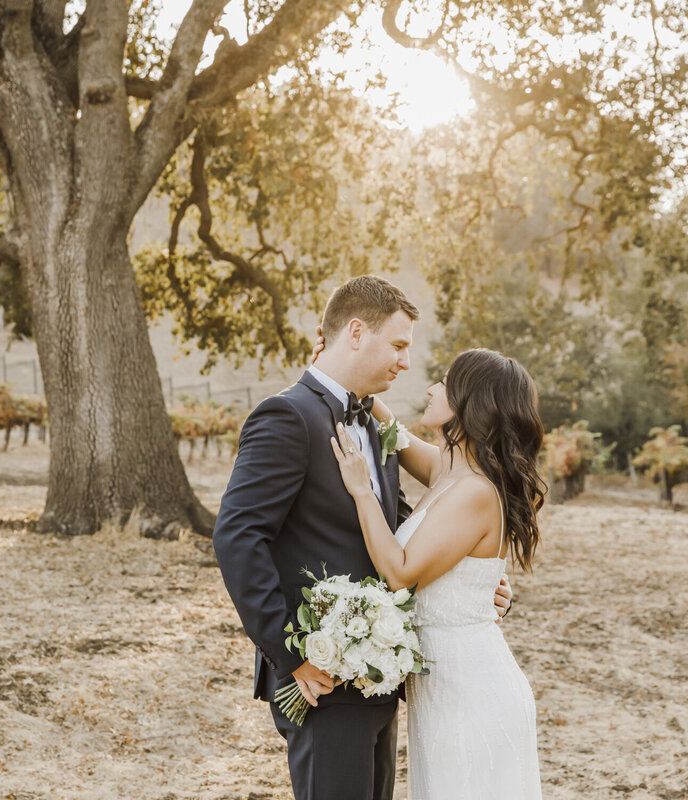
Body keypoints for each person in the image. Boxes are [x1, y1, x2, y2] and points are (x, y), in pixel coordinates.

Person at [212, 275, 510, 800]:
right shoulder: (288, 416)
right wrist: (293, 653)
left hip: (380, 675)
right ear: (355, 333)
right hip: (322, 677)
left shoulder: (373, 425)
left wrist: (471, 575)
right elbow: (238, 536)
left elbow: (404, 529)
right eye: (397, 345)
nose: (404, 362)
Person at [329, 347, 546, 799]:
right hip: (441, 690)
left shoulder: (476, 491)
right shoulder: (451, 470)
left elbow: (401, 573)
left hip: (471, 692)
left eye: (444, 383)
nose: (430, 389)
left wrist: (362, 490)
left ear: (472, 401)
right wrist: (346, 369)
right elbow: (395, 434)